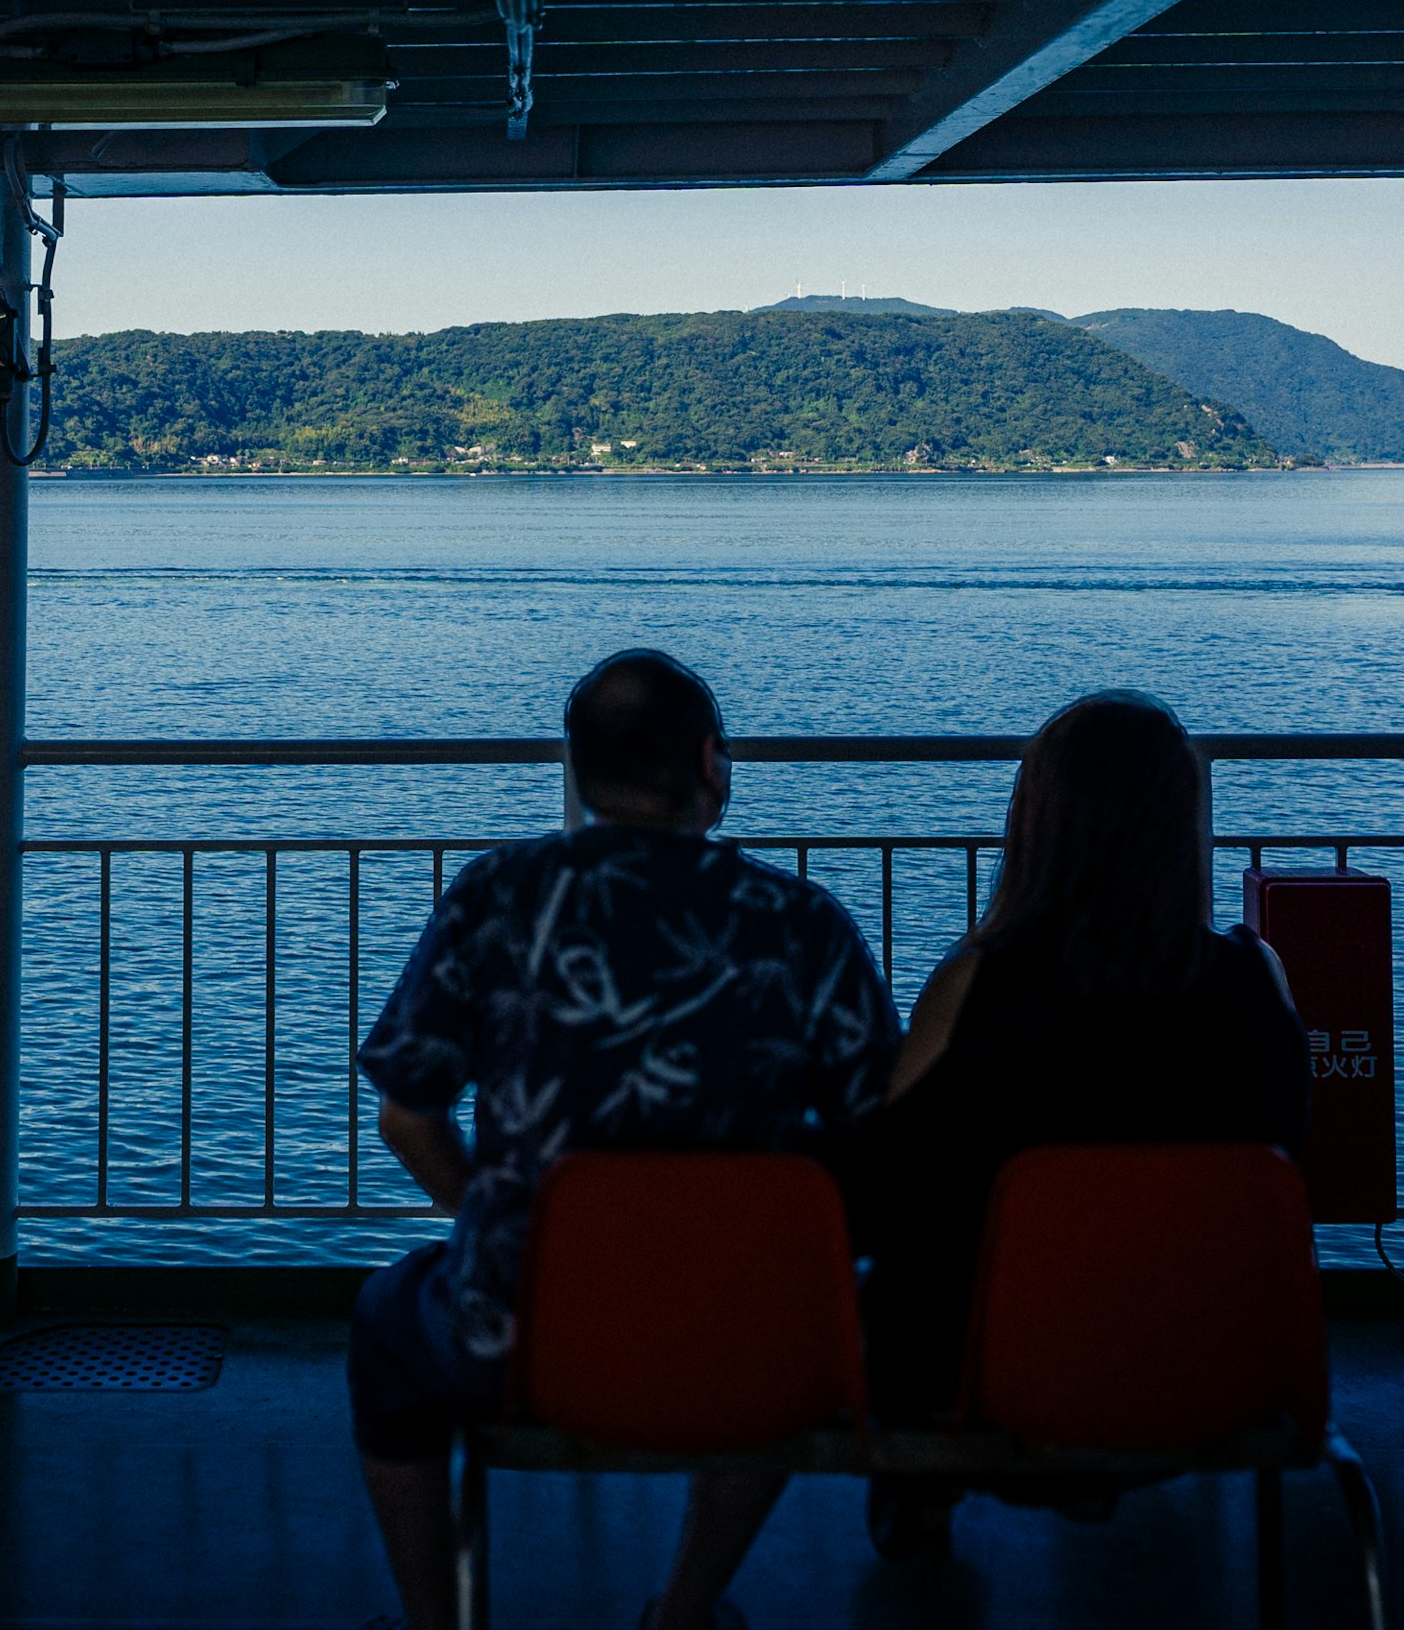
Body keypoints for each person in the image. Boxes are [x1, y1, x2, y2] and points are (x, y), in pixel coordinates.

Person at [348, 649, 901, 1630]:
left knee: (388, 1324)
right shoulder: (803, 923)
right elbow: (884, 1129)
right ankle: (685, 1609)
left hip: (524, 1331)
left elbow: (407, 1111)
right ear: (709, 763)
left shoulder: (497, 896)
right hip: (753, 1324)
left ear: (578, 769)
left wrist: (490, 1218)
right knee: (770, 1347)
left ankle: (438, 1624)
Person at [833, 688, 1307, 1561]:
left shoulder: (976, 988)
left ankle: (930, 1492)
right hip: (1218, 1370)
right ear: (1181, 826)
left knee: (893, 1286)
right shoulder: (1253, 981)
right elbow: (1288, 1162)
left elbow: (883, 1195)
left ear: (1038, 821)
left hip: (998, 1378)